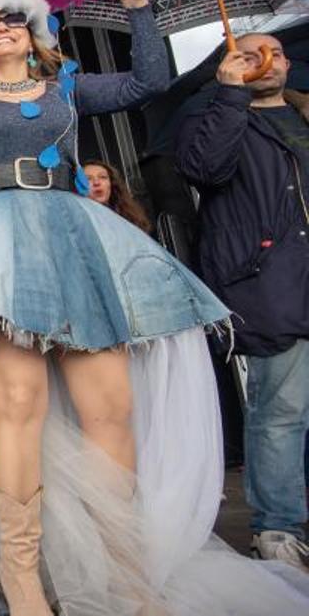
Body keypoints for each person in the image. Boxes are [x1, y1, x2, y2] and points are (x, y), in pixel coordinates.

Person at [0, 0, 309, 615]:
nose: (7, 25)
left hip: (71, 235)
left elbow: (149, 79)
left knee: (109, 405)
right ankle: (23, 575)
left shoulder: (67, 89)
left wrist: (136, 5)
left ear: (36, 30)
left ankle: (120, 563)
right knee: (19, 399)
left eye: (17, 18)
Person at [176, 33, 309, 570]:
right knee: (283, 409)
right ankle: (277, 528)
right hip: (270, 281)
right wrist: (229, 93)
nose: (266, 62)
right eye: (251, 54)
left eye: (275, 54)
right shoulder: (213, 115)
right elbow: (204, 170)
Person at [82, 158, 152, 233]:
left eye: (103, 177)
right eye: (88, 179)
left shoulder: (130, 218)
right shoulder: (77, 221)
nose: (96, 182)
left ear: (112, 184)